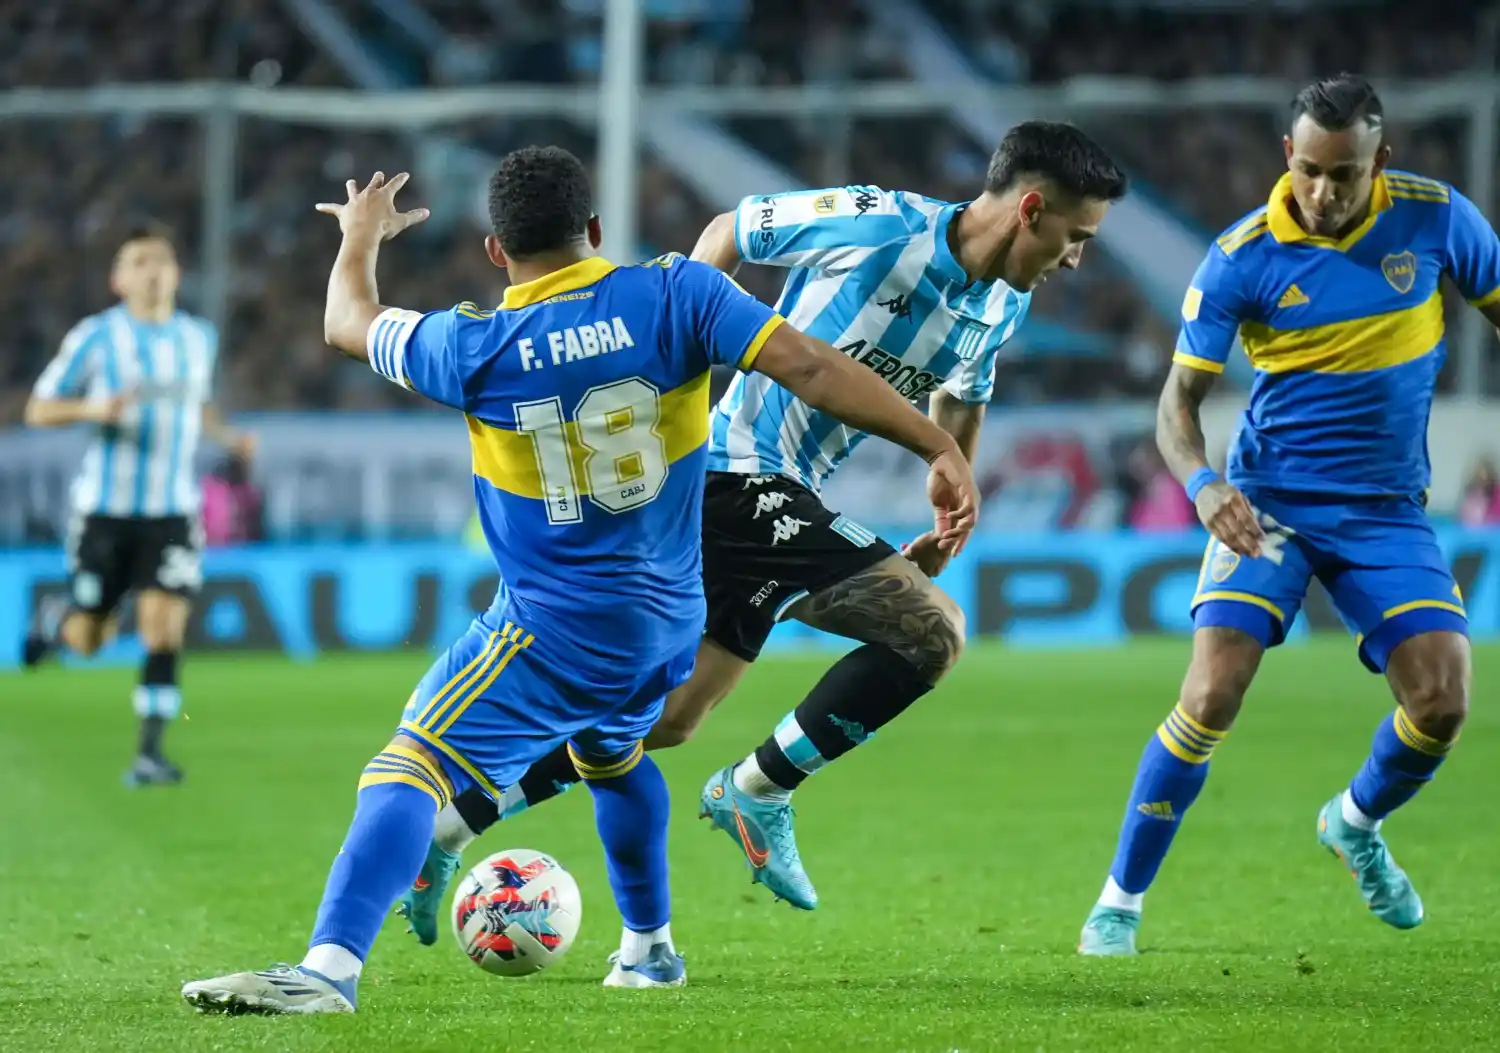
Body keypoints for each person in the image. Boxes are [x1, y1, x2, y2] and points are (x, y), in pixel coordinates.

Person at [181, 146, 977, 1013]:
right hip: (669, 622)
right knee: (613, 755)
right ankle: (649, 950)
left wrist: (360, 235)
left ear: (496, 250)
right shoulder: (679, 294)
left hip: (552, 628)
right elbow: (815, 368)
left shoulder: (472, 345)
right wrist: (937, 443)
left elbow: (347, 321)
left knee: (408, 764)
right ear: (593, 228)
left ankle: (328, 970)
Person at [408, 120, 1127, 935]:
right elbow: (730, 230)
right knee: (934, 633)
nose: (1077, 259)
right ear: (1031, 209)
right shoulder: (881, 222)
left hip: (783, 492)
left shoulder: (1001, 305)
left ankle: (449, 827)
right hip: (738, 469)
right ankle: (757, 788)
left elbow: (962, 395)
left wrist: (949, 495)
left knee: (666, 720)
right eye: (1077, 236)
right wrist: (669, 367)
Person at [1078, 73, 1500, 956]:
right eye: (1309, 169)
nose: (1323, 191)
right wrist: (1205, 486)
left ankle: (1355, 822)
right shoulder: (1241, 256)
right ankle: (1119, 900)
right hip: (1267, 504)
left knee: (1443, 701)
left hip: (1385, 510)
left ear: (1380, 160)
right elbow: (1176, 406)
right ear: (1288, 155)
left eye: (1344, 174)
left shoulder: (1438, 220)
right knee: (1210, 692)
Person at [21, 225, 255, 787]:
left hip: (172, 510)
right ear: (118, 279)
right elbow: (38, 409)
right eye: (139, 262)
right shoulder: (96, 337)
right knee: (90, 639)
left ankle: (149, 755)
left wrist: (227, 438)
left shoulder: (197, 337)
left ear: (177, 274)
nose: (153, 271)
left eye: (162, 261)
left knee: (163, 626)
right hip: (105, 511)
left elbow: (197, 404)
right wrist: (93, 409)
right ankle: (57, 621)